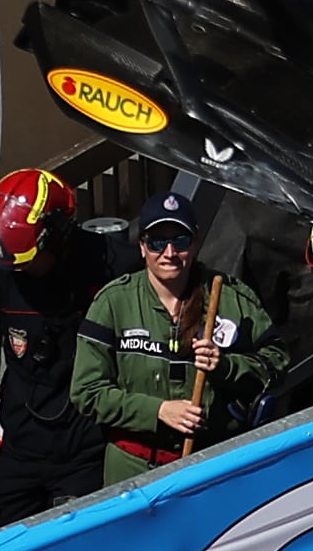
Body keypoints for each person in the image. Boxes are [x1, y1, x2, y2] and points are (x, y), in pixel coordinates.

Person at [71, 183, 288, 487]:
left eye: (180, 241)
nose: (169, 253)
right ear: (142, 246)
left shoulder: (229, 297)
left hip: (211, 469)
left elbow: (277, 364)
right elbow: (87, 393)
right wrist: (157, 411)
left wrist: (226, 366)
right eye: (158, 243)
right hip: (133, 475)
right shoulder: (112, 303)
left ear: (196, 243)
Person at [0, 167, 110, 528]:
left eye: (26, 260)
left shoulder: (108, 265)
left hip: (88, 450)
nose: (15, 270)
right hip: (22, 446)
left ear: (58, 239)